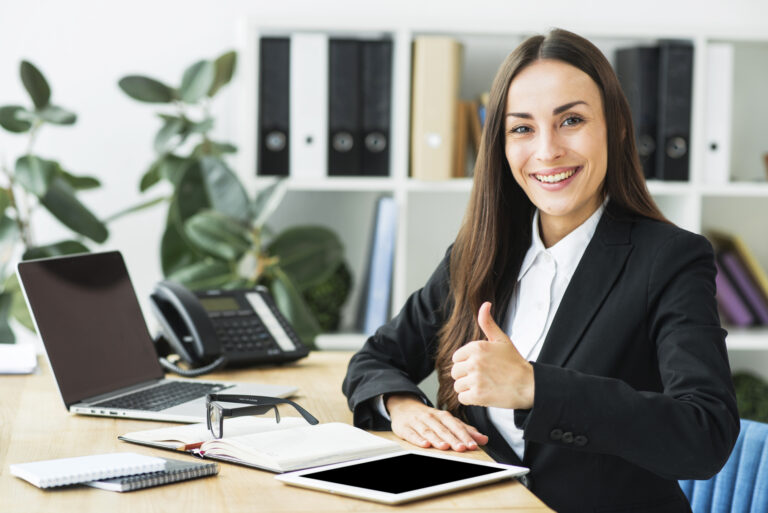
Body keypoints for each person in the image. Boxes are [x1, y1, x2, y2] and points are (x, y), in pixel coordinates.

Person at [342, 28, 739, 513]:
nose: (547, 151)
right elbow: (376, 359)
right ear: (502, 145)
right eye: (522, 128)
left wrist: (533, 386)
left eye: (570, 120)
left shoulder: (670, 259)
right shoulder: (481, 253)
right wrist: (404, 408)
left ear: (614, 127)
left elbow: (705, 434)